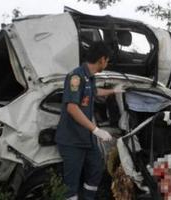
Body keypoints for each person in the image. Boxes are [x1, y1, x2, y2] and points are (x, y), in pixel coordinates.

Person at [55, 41, 121, 200]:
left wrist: (114, 90)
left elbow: (94, 92)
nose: (107, 63)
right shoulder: (76, 76)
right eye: (107, 60)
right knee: (71, 184)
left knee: (97, 167)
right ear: (102, 59)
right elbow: (72, 108)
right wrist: (96, 130)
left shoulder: (89, 77)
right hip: (72, 140)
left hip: (86, 139)